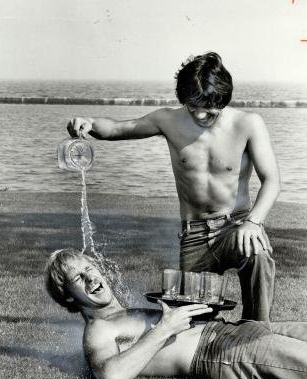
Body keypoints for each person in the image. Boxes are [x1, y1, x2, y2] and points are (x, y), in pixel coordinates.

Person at [66, 52, 280, 322]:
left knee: (257, 252)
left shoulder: (249, 124)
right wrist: (90, 124)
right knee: (193, 326)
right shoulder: (168, 120)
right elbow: (119, 129)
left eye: (209, 107)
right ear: (184, 100)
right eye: (194, 107)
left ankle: (258, 333)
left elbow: (271, 180)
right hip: (194, 238)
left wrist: (253, 223)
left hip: (236, 226)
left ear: (223, 98)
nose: (202, 114)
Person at [44, 248, 307, 379]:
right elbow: (111, 377)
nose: (91, 279)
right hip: (219, 352)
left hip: (234, 330)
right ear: (68, 297)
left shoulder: (120, 313)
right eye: (78, 278)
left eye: (90, 269)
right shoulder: (97, 330)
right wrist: (164, 328)